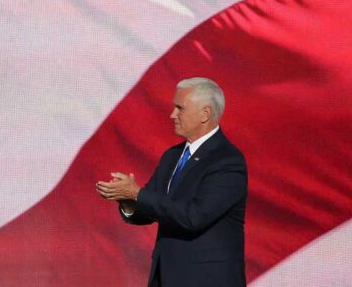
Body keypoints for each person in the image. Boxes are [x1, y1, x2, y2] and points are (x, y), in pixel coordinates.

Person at [96, 77, 247, 287]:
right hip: (165, 276)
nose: (172, 114)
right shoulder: (172, 156)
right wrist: (128, 201)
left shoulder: (227, 161)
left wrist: (137, 194)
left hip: (206, 279)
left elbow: (194, 216)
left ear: (205, 114)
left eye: (180, 108)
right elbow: (151, 208)